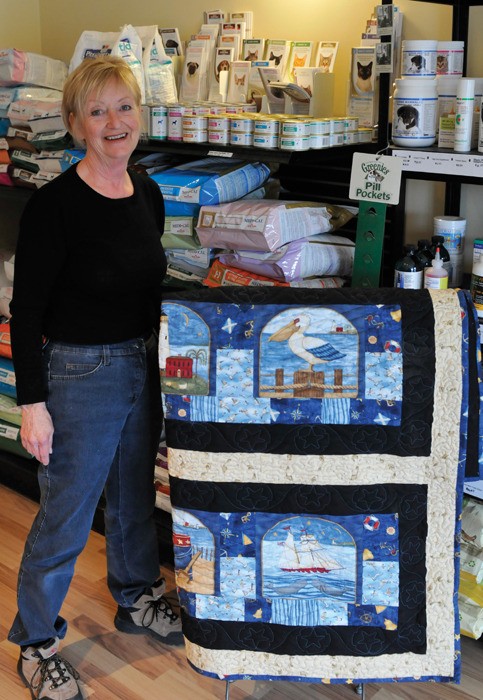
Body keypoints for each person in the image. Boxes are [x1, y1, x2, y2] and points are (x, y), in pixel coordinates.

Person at [8, 55, 182, 700]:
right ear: (76, 122)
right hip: (79, 371)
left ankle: (137, 597)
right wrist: (33, 403)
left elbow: (147, 288)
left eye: (125, 107)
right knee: (68, 513)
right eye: (98, 110)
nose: (115, 121)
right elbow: (25, 310)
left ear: (140, 114)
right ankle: (35, 640)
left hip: (141, 363)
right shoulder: (54, 206)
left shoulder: (148, 190)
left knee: (135, 495)